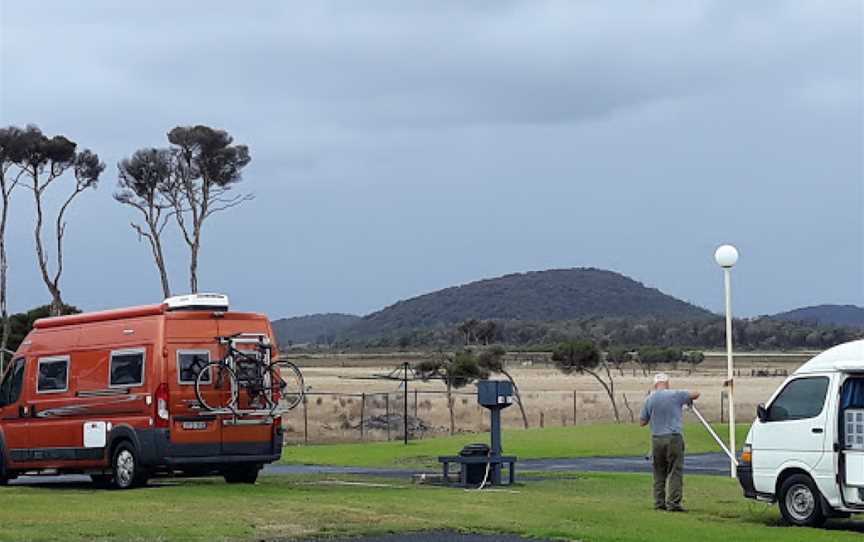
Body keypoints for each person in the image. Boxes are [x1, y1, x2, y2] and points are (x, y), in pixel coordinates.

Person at [639, 372, 700, 512]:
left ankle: (659, 502)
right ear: (667, 383)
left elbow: (642, 422)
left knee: (659, 472)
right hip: (673, 437)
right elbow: (696, 394)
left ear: (654, 384)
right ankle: (673, 503)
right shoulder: (676, 394)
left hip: (656, 438)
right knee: (674, 470)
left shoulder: (649, 399)